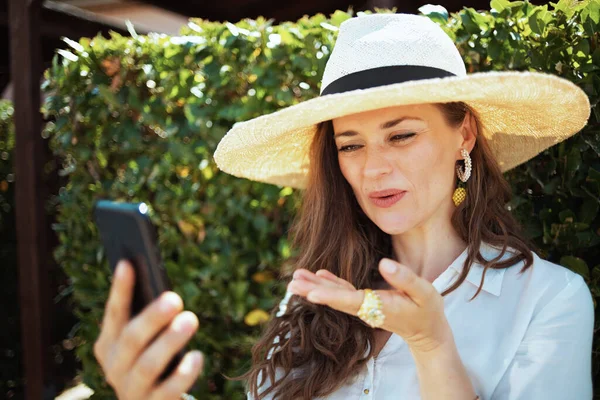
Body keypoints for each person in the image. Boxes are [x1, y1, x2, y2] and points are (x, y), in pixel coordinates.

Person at [92, 13, 595, 400]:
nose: (373, 168)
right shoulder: (315, 295)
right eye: (351, 145)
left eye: (401, 135)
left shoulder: (548, 301)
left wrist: (432, 345)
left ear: (463, 133)